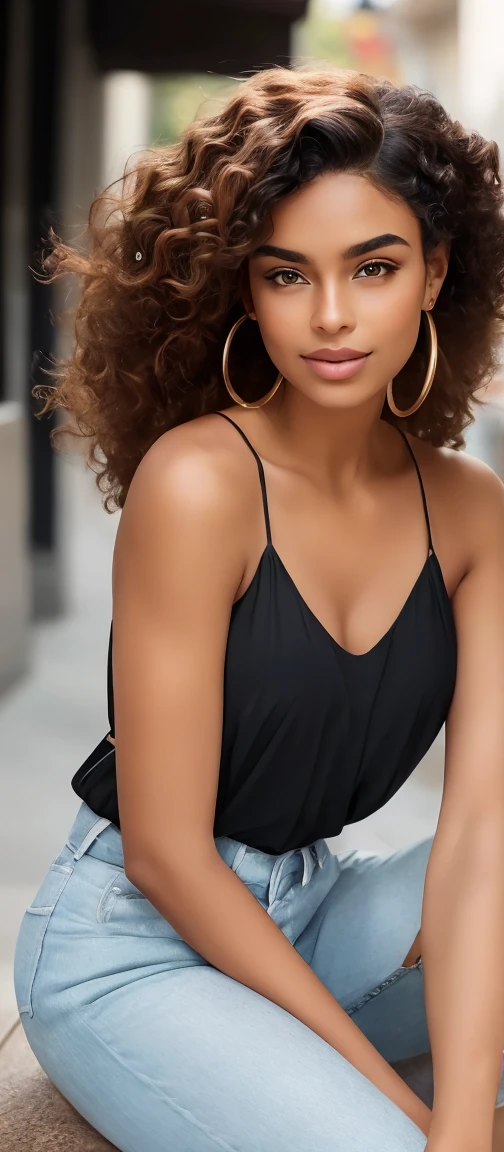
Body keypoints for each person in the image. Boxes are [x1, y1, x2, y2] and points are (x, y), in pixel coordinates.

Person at [13, 65, 504, 1152]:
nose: (331, 316)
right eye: (289, 275)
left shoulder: (472, 515)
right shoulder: (199, 486)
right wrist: (410, 1111)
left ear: (435, 274)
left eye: (373, 268)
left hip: (316, 912)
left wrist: (466, 1123)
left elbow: (479, 837)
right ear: (246, 288)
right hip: (131, 944)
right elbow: (167, 855)